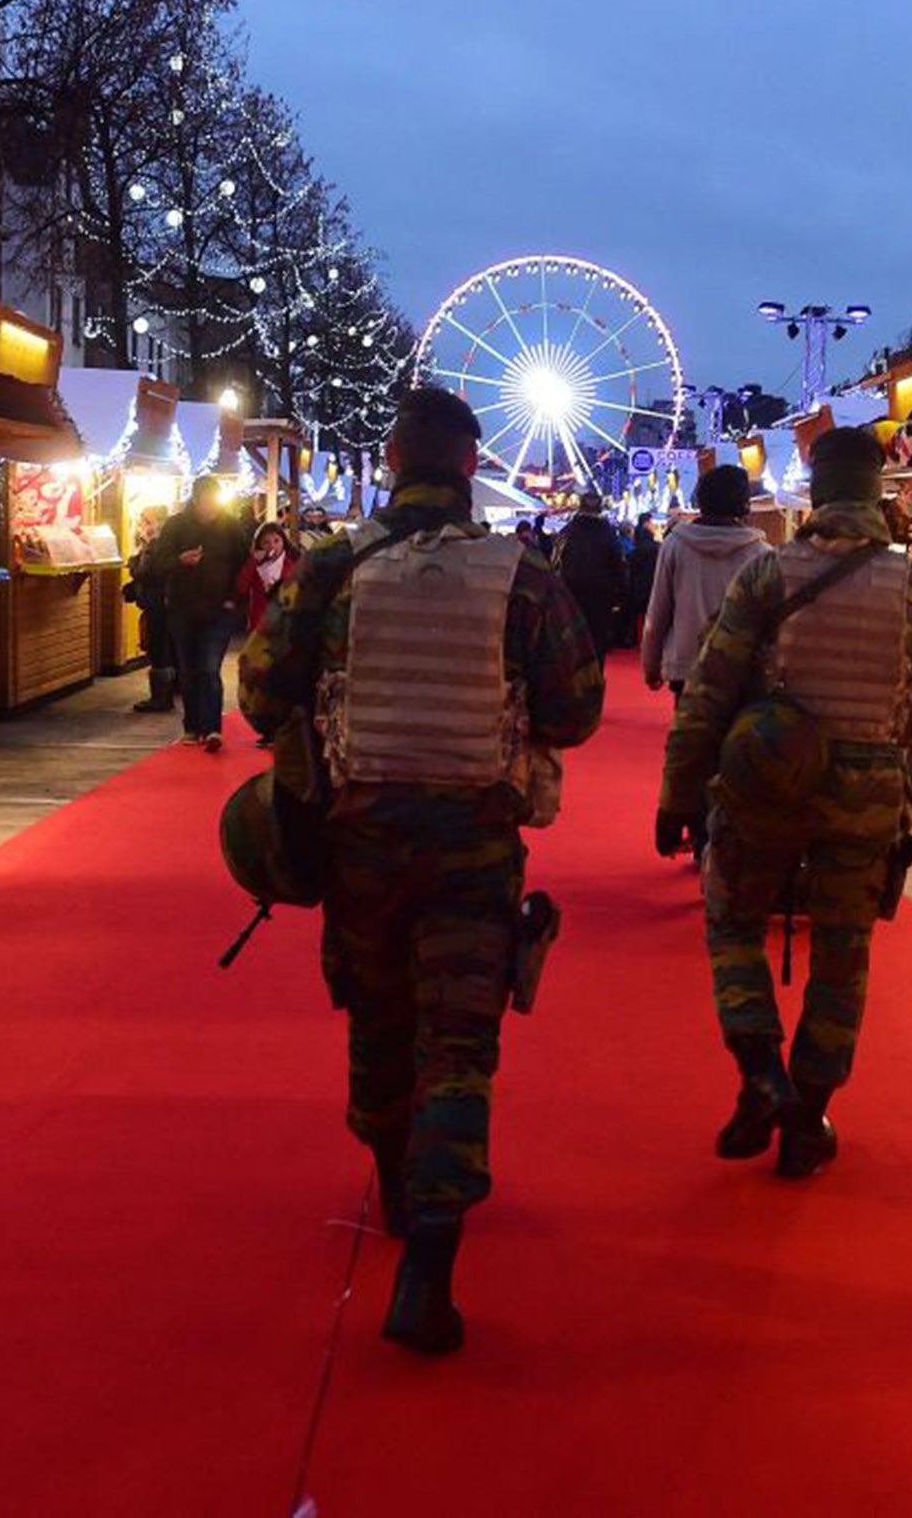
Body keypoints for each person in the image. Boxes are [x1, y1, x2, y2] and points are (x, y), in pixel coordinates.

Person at [239, 387, 604, 1355]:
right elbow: (574, 710)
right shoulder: (522, 576)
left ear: (394, 457)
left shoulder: (330, 571)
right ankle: (429, 1266)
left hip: (360, 840)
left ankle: (397, 1178)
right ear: (471, 465)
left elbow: (258, 690)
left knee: (378, 1019)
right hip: (472, 846)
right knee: (457, 1046)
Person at [656, 428, 912, 1180]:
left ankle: (760, 1066)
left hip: (769, 778)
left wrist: (678, 793)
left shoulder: (769, 576)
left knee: (734, 919)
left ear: (818, 491)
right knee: (841, 952)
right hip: (867, 794)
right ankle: (810, 1114)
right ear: (877, 493)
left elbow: (711, 689)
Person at [641, 466, 764, 702]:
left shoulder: (676, 544)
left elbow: (658, 611)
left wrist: (651, 664)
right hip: (740, 665)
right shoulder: (759, 552)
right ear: (744, 503)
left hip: (686, 663)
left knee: (690, 735)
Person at [157, 475, 250, 751]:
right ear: (196, 500)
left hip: (218, 610)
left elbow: (244, 565)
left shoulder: (230, 526)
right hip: (182, 608)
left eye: (214, 501)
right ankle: (191, 725)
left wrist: (234, 599)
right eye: (205, 502)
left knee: (209, 668)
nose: (210, 508)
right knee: (188, 670)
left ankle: (212, 729)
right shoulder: (176, 526)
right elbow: (158, 563)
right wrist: (179, 560)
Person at [552, 492, 627, 656]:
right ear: (600, 509)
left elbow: (555, 563)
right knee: (597, 641)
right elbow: (619, 565)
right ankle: (596, 676)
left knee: (571, 643)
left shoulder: (567, 532)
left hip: (569, 594)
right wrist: (620, 593)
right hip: (600, 595)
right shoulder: (608, 533)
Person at [124, 506, 177, 714]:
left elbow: (147, 572)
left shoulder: (156, 545)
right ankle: (167, 694)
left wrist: (133, 564)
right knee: (164, 648)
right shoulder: (167, 543)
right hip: (164, 603)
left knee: (159, 649)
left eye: (146, 520)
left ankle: (160, 698)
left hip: (157, 604)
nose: (142, 525)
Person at [234, 520, 301, 638]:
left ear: (283, 542)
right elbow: (241, 587)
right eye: (266, 542)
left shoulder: (292, 564)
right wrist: (253, 562)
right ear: (259, 545)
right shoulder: (255, 565)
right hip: (259, 621)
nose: (272, 546)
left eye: (276, 541)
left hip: (284, 621)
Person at [626, 514, 660, 646]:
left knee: (639, 616)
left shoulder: (635, 550)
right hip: (653, 585)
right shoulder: (657, 548)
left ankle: (639, 640)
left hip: (639, 586)